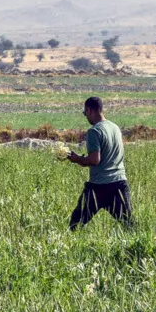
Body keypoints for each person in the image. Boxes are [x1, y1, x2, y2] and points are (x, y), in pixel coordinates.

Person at [66, 96, 132, 230]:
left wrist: (77, 159)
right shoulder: (115, 127)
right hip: (120, 184)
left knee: (75, 225)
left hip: (99, 187)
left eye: (85, 113)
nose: (86, 117)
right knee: (129, 226)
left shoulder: (94, 131)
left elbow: (94, 160)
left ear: (90, 111)